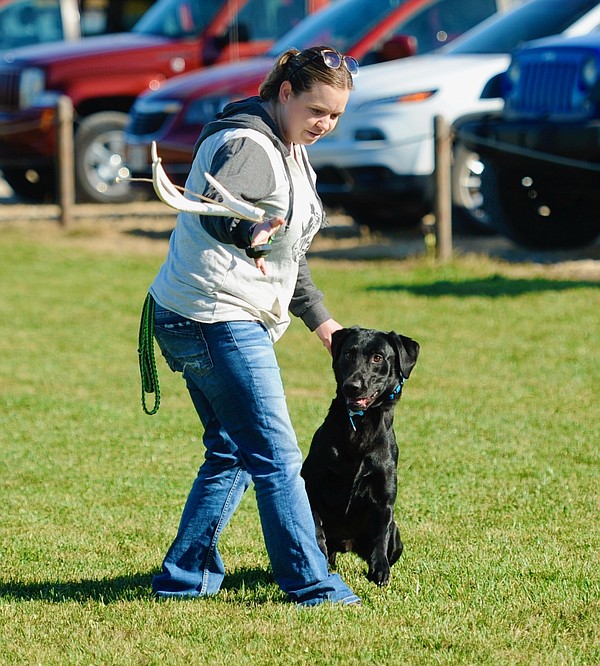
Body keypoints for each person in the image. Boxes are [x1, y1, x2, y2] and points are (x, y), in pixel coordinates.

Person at [145, 46, 360, 606]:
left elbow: (289, 248)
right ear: (285, 92)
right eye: (318, 110)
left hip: (193, 313)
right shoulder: (247, 143)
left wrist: (324, 324)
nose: (325, 124)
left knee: (233, 449)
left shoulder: (287, 143)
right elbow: (222, 206)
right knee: (275, 454)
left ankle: (184, 577)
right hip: (213, 318)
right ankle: (311, 584)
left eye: (335, 115)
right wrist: (247, 235)